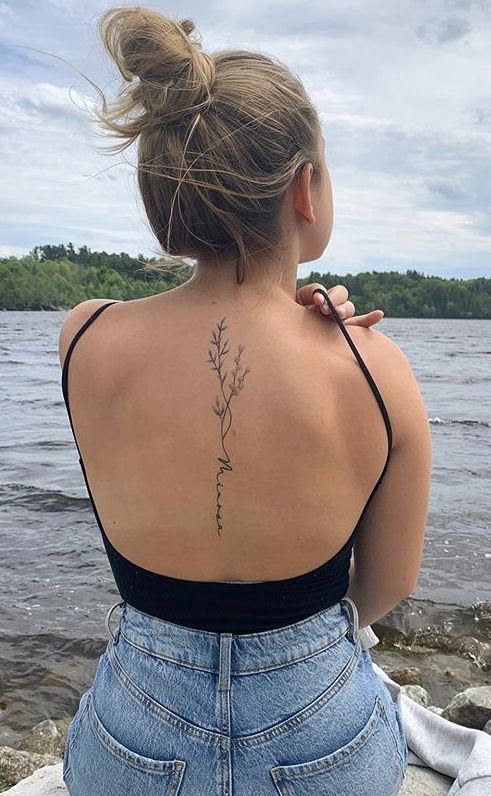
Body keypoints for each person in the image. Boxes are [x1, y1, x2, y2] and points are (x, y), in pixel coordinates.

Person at [58, 7, 432, 795]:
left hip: (131, 738)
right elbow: (385, 585)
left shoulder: (83, 337)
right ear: (305, 188)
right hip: (321, 735)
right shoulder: (373, 368)